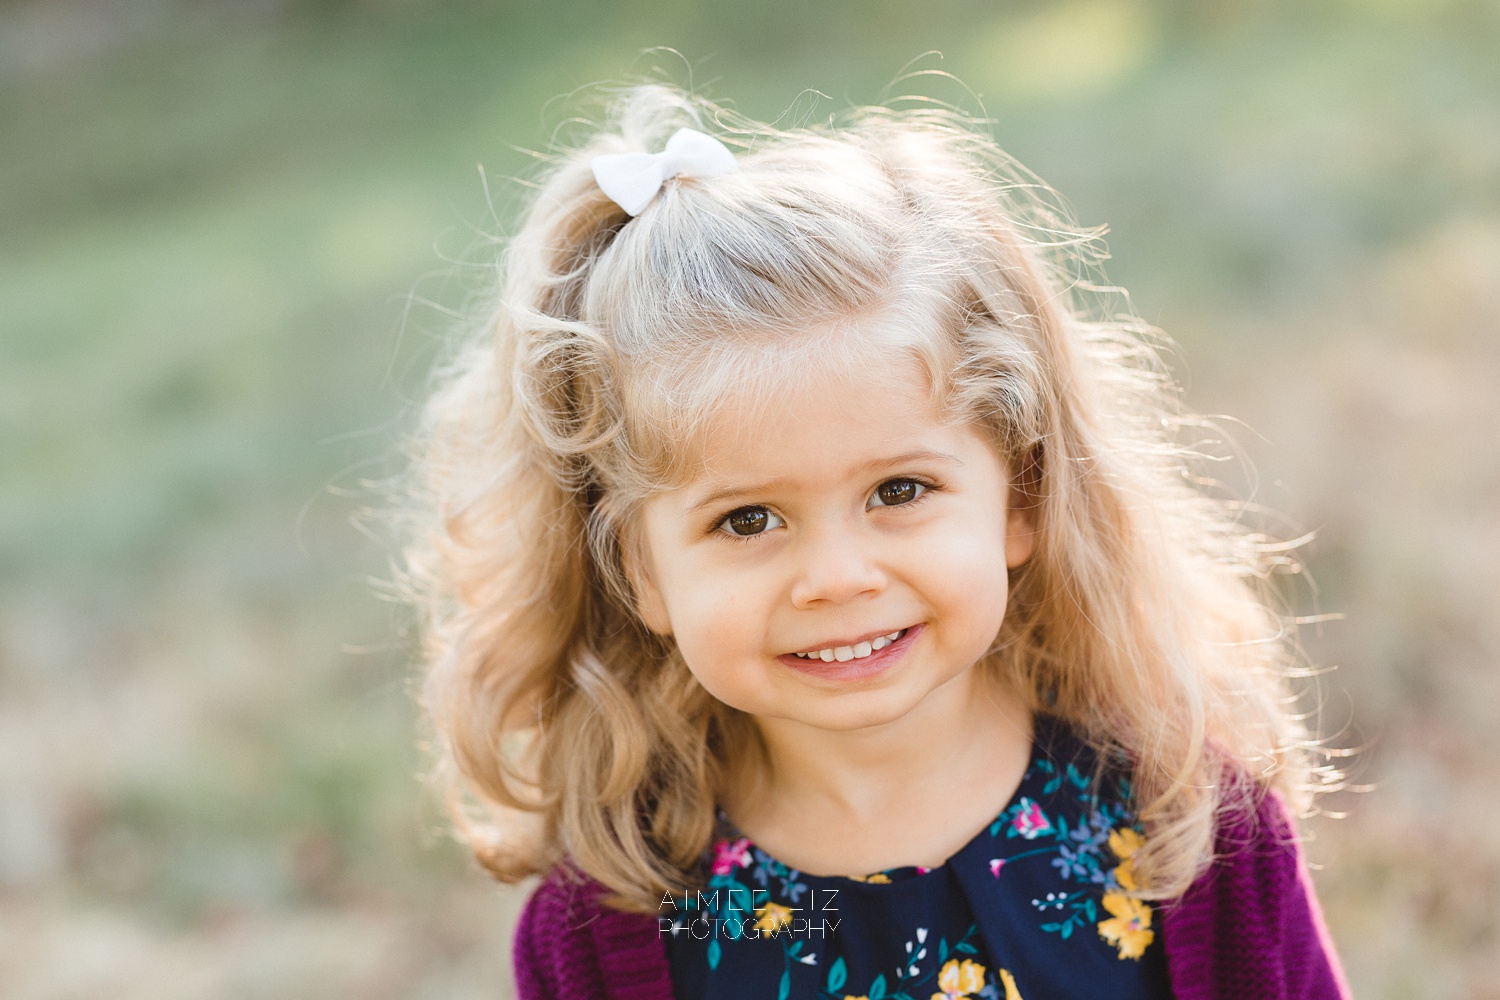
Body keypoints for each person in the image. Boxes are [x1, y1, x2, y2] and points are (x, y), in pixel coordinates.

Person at [397, 83, 1351, 1000]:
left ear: (1021, 494)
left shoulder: (1181, 823)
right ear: (638, 570)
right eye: (747, 519)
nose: (838, 577)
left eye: (899, 491)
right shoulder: (629, 924)